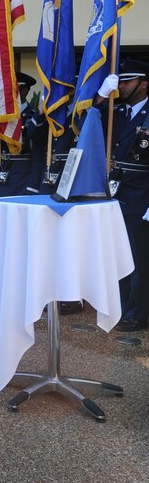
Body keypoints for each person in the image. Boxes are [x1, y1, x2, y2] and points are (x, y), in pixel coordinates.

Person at [95, 59, 149, 332]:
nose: (123, 87)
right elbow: (85, 121)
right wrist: (101, 96)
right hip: (116, 194)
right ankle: (122, 305)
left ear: (144, 83)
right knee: (118, 255)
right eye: (121, 82)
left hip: (141, 196)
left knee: (139, 259)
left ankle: (137, 313)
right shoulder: (117, 112)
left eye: (128, 82)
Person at [0, 72, 41, 197]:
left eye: (11, 89)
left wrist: (32, 186)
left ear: (24, 91)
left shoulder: (33, 117)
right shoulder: (1, 117)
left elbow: (37, 152)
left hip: (21, 179)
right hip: (0, 175)